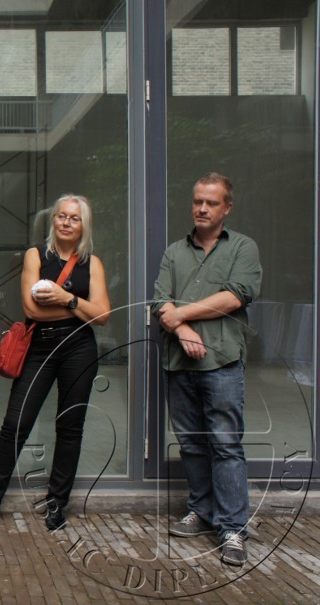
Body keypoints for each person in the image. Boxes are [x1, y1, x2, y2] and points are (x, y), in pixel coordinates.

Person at [0, 194, 110, 531]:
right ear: (53, 220)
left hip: (79, 350)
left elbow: (103, 315)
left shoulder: (92, 263)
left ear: (83, 225)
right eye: (61, 216)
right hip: (39, 347)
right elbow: (32, 310)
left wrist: (66, 298)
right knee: (15, 425)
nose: (66, 222)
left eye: (74, 218)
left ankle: (57, 504)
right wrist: (80, 308)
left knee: (70, 428)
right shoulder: (35, 255)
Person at [153, 172, 261, 567]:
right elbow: (160, 302)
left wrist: (180, 315)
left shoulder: (243, 247)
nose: (201, 208)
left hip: (223, 362)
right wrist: (181, 329)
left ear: (226, 207)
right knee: (192, 444)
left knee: (225, 445)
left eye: (211, 203)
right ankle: (201, 510)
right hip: (179, 363)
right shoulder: (174, 252)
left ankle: (232, 527)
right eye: (198, 201)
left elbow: (236, 296)